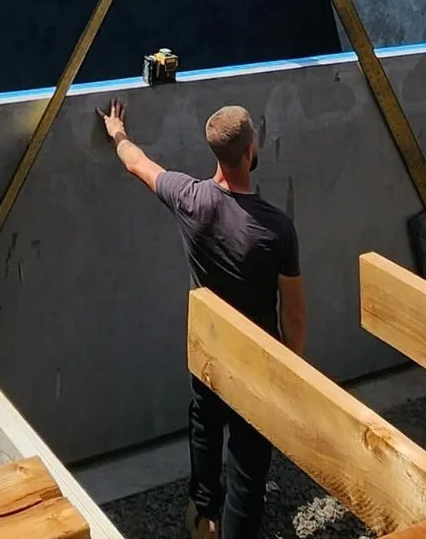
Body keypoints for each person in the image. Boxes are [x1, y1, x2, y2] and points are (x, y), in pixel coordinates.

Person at [97, 99, 304, 539]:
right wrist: (292, 371)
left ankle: (205, 515)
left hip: (208, 347)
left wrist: (117, 131)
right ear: (250, 151)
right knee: (249, 454)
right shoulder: (277, 229)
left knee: (206, 425)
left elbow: (137, 163)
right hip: (256, 357)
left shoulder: (189, 198)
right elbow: (294, 311)